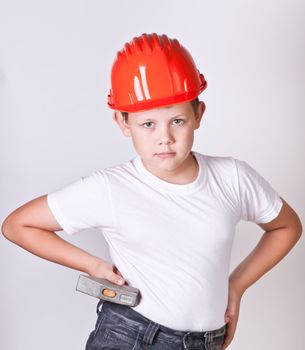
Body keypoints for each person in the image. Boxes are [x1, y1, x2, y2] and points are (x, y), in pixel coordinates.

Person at [1, 33, 302, 350]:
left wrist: (237, 285)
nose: (165, 138)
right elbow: (17, 225)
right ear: (122, 121)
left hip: (205, 342)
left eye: (177, 120)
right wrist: (91, 265)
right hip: (130, 336)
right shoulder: (110, 188)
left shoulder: (233, 178)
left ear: (198, 115)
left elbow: (286, 226)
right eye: (148, 124)